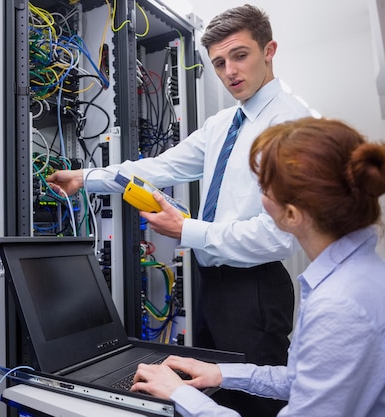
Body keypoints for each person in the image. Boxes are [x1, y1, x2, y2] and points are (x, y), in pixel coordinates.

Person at [47, 5, 311, 415]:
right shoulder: (223, 123)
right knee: (211, 392)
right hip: (213, 284)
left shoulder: (294, 124)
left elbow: (279, 234)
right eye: (219, 62)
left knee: (253, 403)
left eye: (240, 56)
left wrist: (187, 231)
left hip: (255, 290)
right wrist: (87, 177)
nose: (229, 72)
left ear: (269, 49)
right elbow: (161, 167)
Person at [129, 117, 385, 417]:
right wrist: (221, 374)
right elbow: (301, 379)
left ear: (292, 214)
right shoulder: (359, 274)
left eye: (262, 187)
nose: (260, 200)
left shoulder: (340, 305)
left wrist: (180, 395)